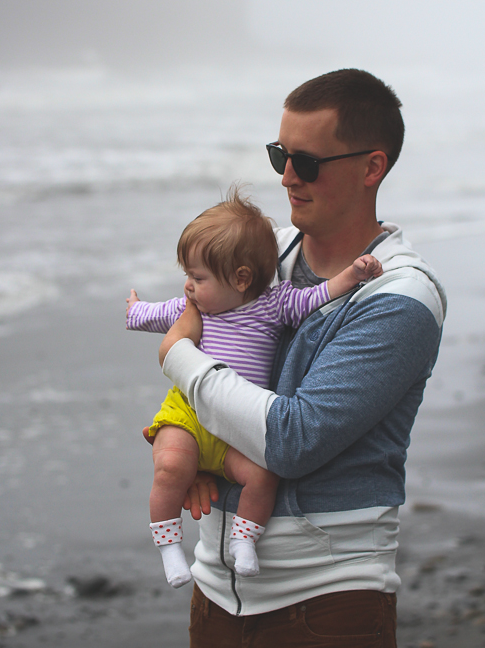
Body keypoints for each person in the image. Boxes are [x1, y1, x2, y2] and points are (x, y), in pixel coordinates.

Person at [155, 68, 447, 648]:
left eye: (307, 161)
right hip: (216, 596)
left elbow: (293, 438)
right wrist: (199, 455)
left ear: (372, 167)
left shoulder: (401, 299)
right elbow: (212, 388)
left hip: (328, 610)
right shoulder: (258, 261)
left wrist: (179, 358)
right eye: (279, 155)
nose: (287, 176)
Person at [126, 188, 382, 588]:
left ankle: (244, 542)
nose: (188, 286)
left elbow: (317, 296)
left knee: (262, 477)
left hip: (239, 430)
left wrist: (353, 274)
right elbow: (150, 316)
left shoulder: (274, 304)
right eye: (187, 276)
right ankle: (169, 547)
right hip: (189, 415)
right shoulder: (191, 308)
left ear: (241, 278)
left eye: (197, 277)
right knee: (172, 467)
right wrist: (134, 309)